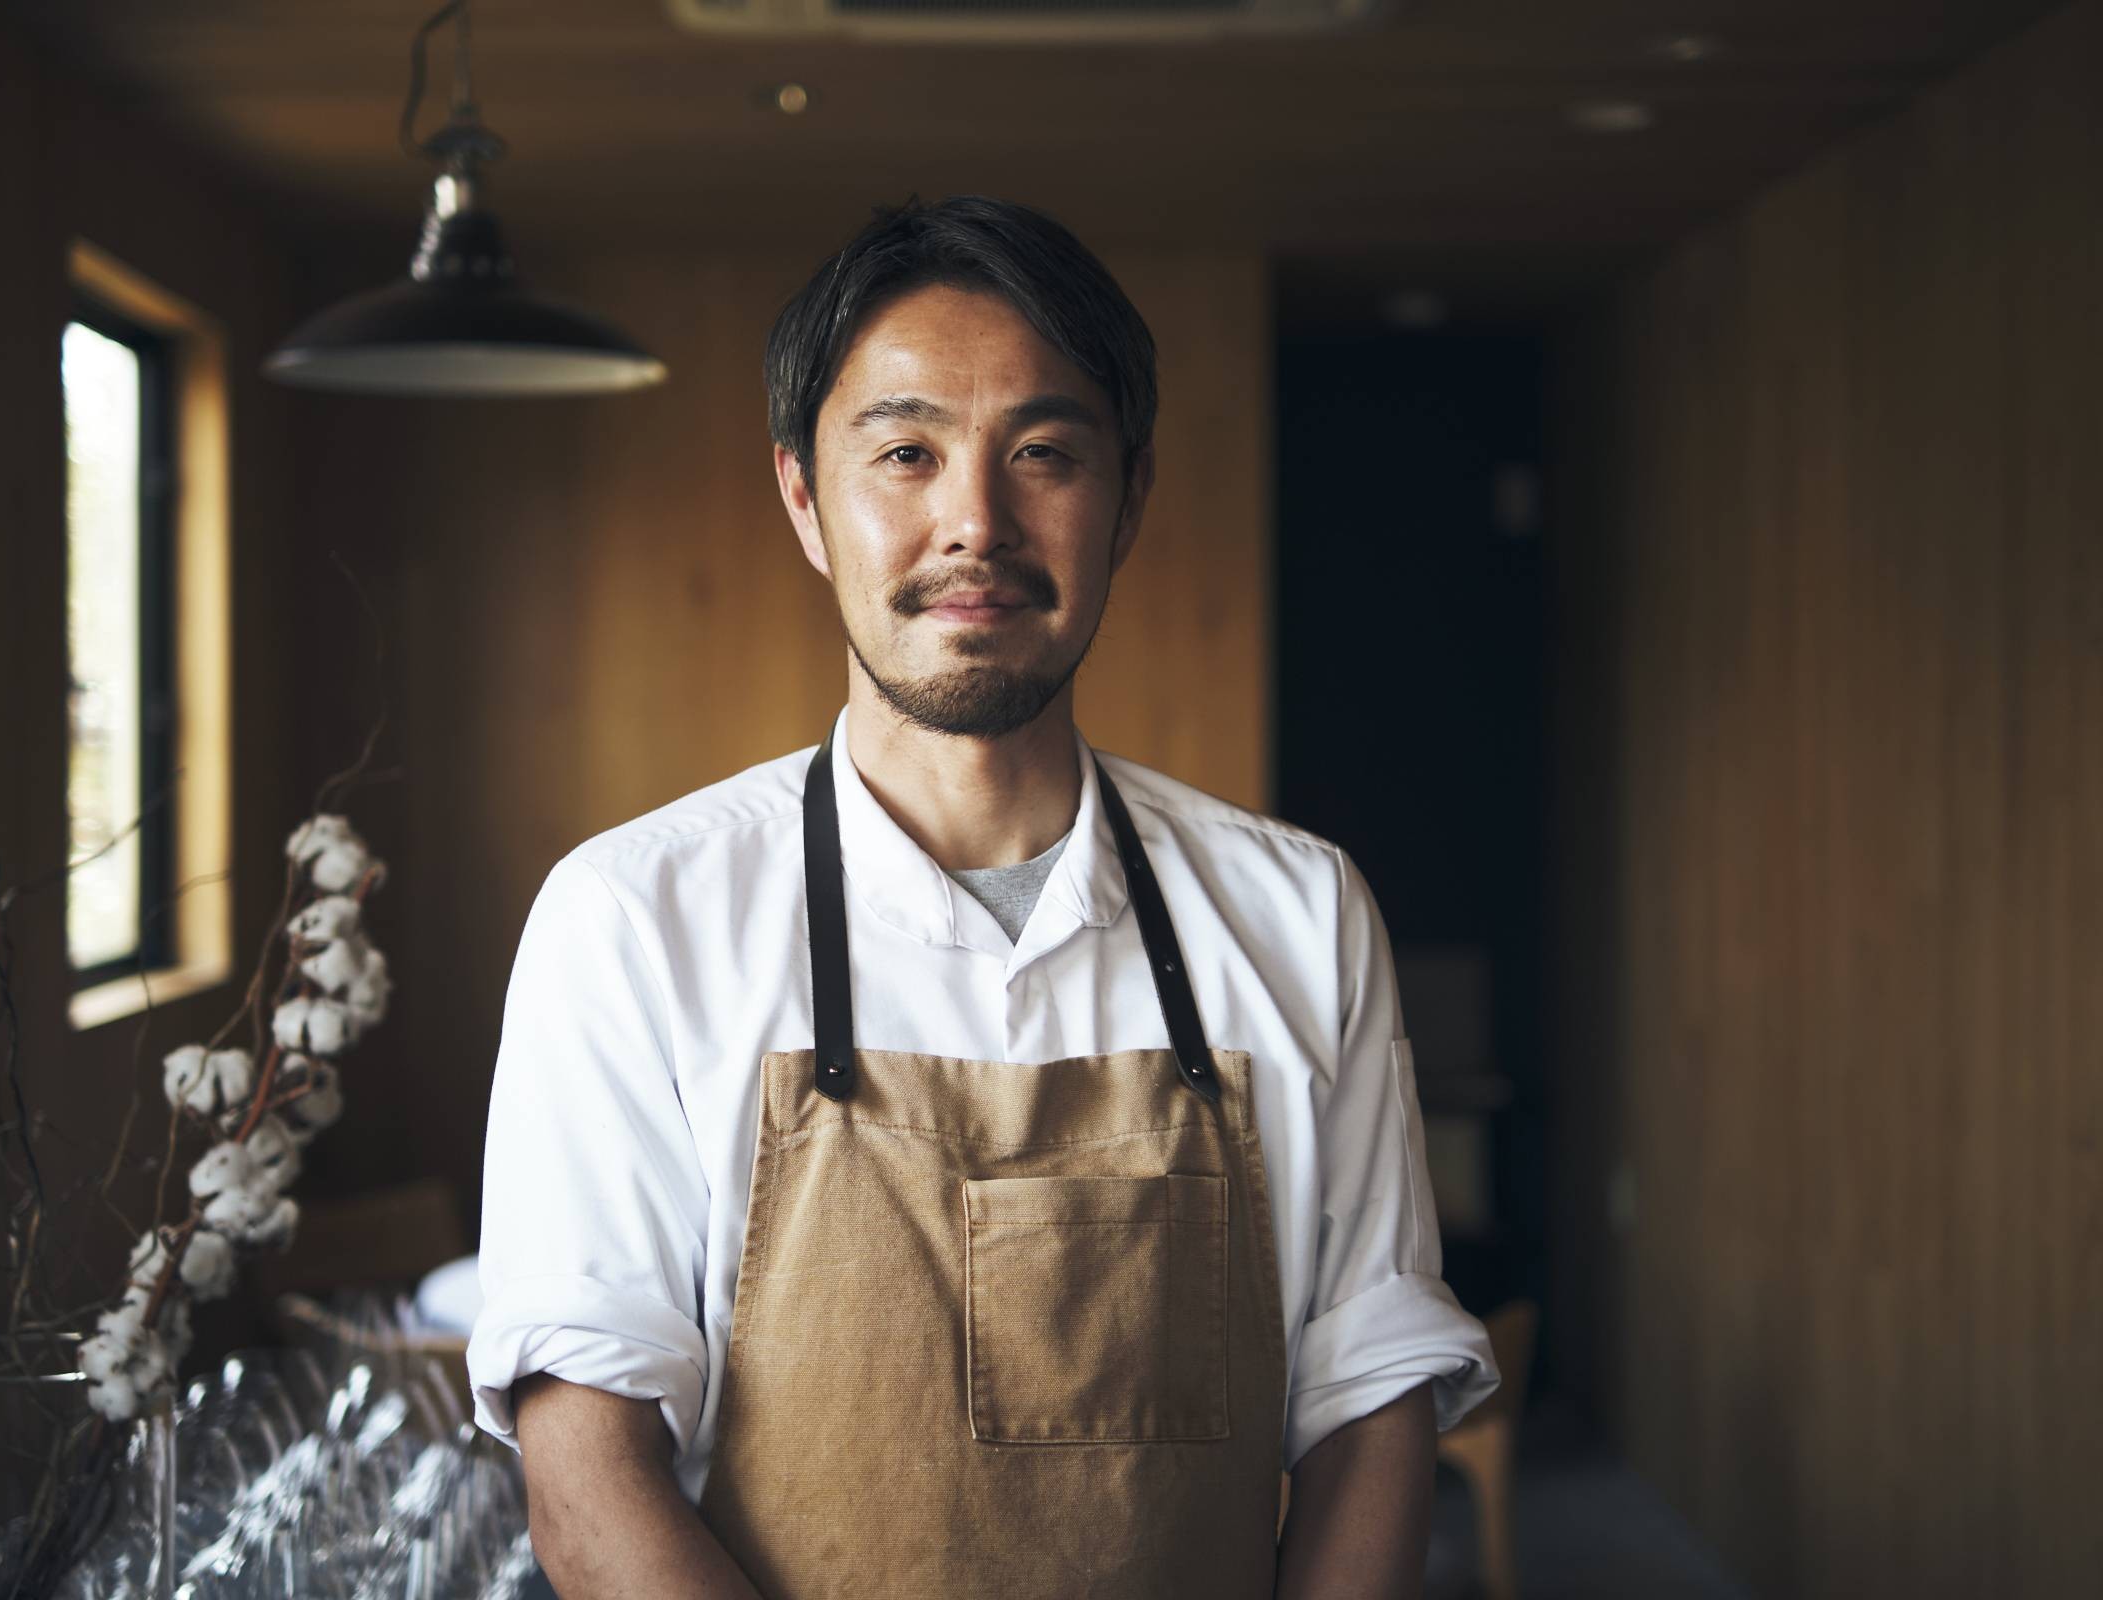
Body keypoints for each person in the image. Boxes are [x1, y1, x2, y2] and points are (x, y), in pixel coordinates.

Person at [469, 194, 1500, 1599]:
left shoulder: (1301, 912)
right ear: (802, 500)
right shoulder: (632, 920)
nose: (976, 523)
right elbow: (585, 1480)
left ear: (1128, 498)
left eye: (1044, 453)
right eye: (906, 452)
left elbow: (1372, 1397)